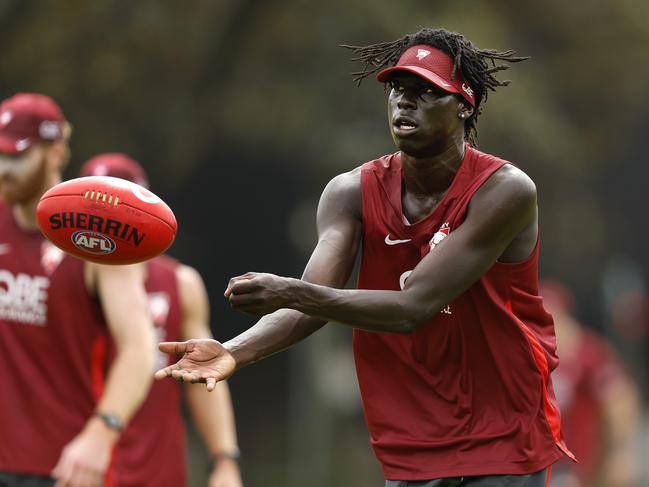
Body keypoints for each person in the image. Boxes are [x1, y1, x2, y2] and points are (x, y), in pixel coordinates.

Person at [156, 28, 575, 486]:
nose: (404, 102)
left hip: (504, 438)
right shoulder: (350, 192)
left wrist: (290, 290)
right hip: (410, 443)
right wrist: (232, 352)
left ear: (465, 104)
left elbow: (412, 308)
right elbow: (310, 306)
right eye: (398, 88)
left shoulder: (504, 191)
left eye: (427, 91)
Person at [0, 94, 155, 487]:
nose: (4, 169)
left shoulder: (95, 233)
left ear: (56, 152)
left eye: (17, 157)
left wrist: (101, 433)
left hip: (61, 466)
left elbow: (140, 346)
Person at [80, 154, 243, 487]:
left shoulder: (180, 284)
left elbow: (203, 377)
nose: (106, 220)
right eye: (96, 209)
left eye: (119, 208)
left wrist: (225, 460)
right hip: (77, 463)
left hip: (157, 471)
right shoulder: (63, 276)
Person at [539, 280, 640, 487]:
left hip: (578, 467)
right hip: (546, 465)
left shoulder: (588, 352)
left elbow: (619, 398)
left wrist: (619, 451)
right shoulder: (535, 358)